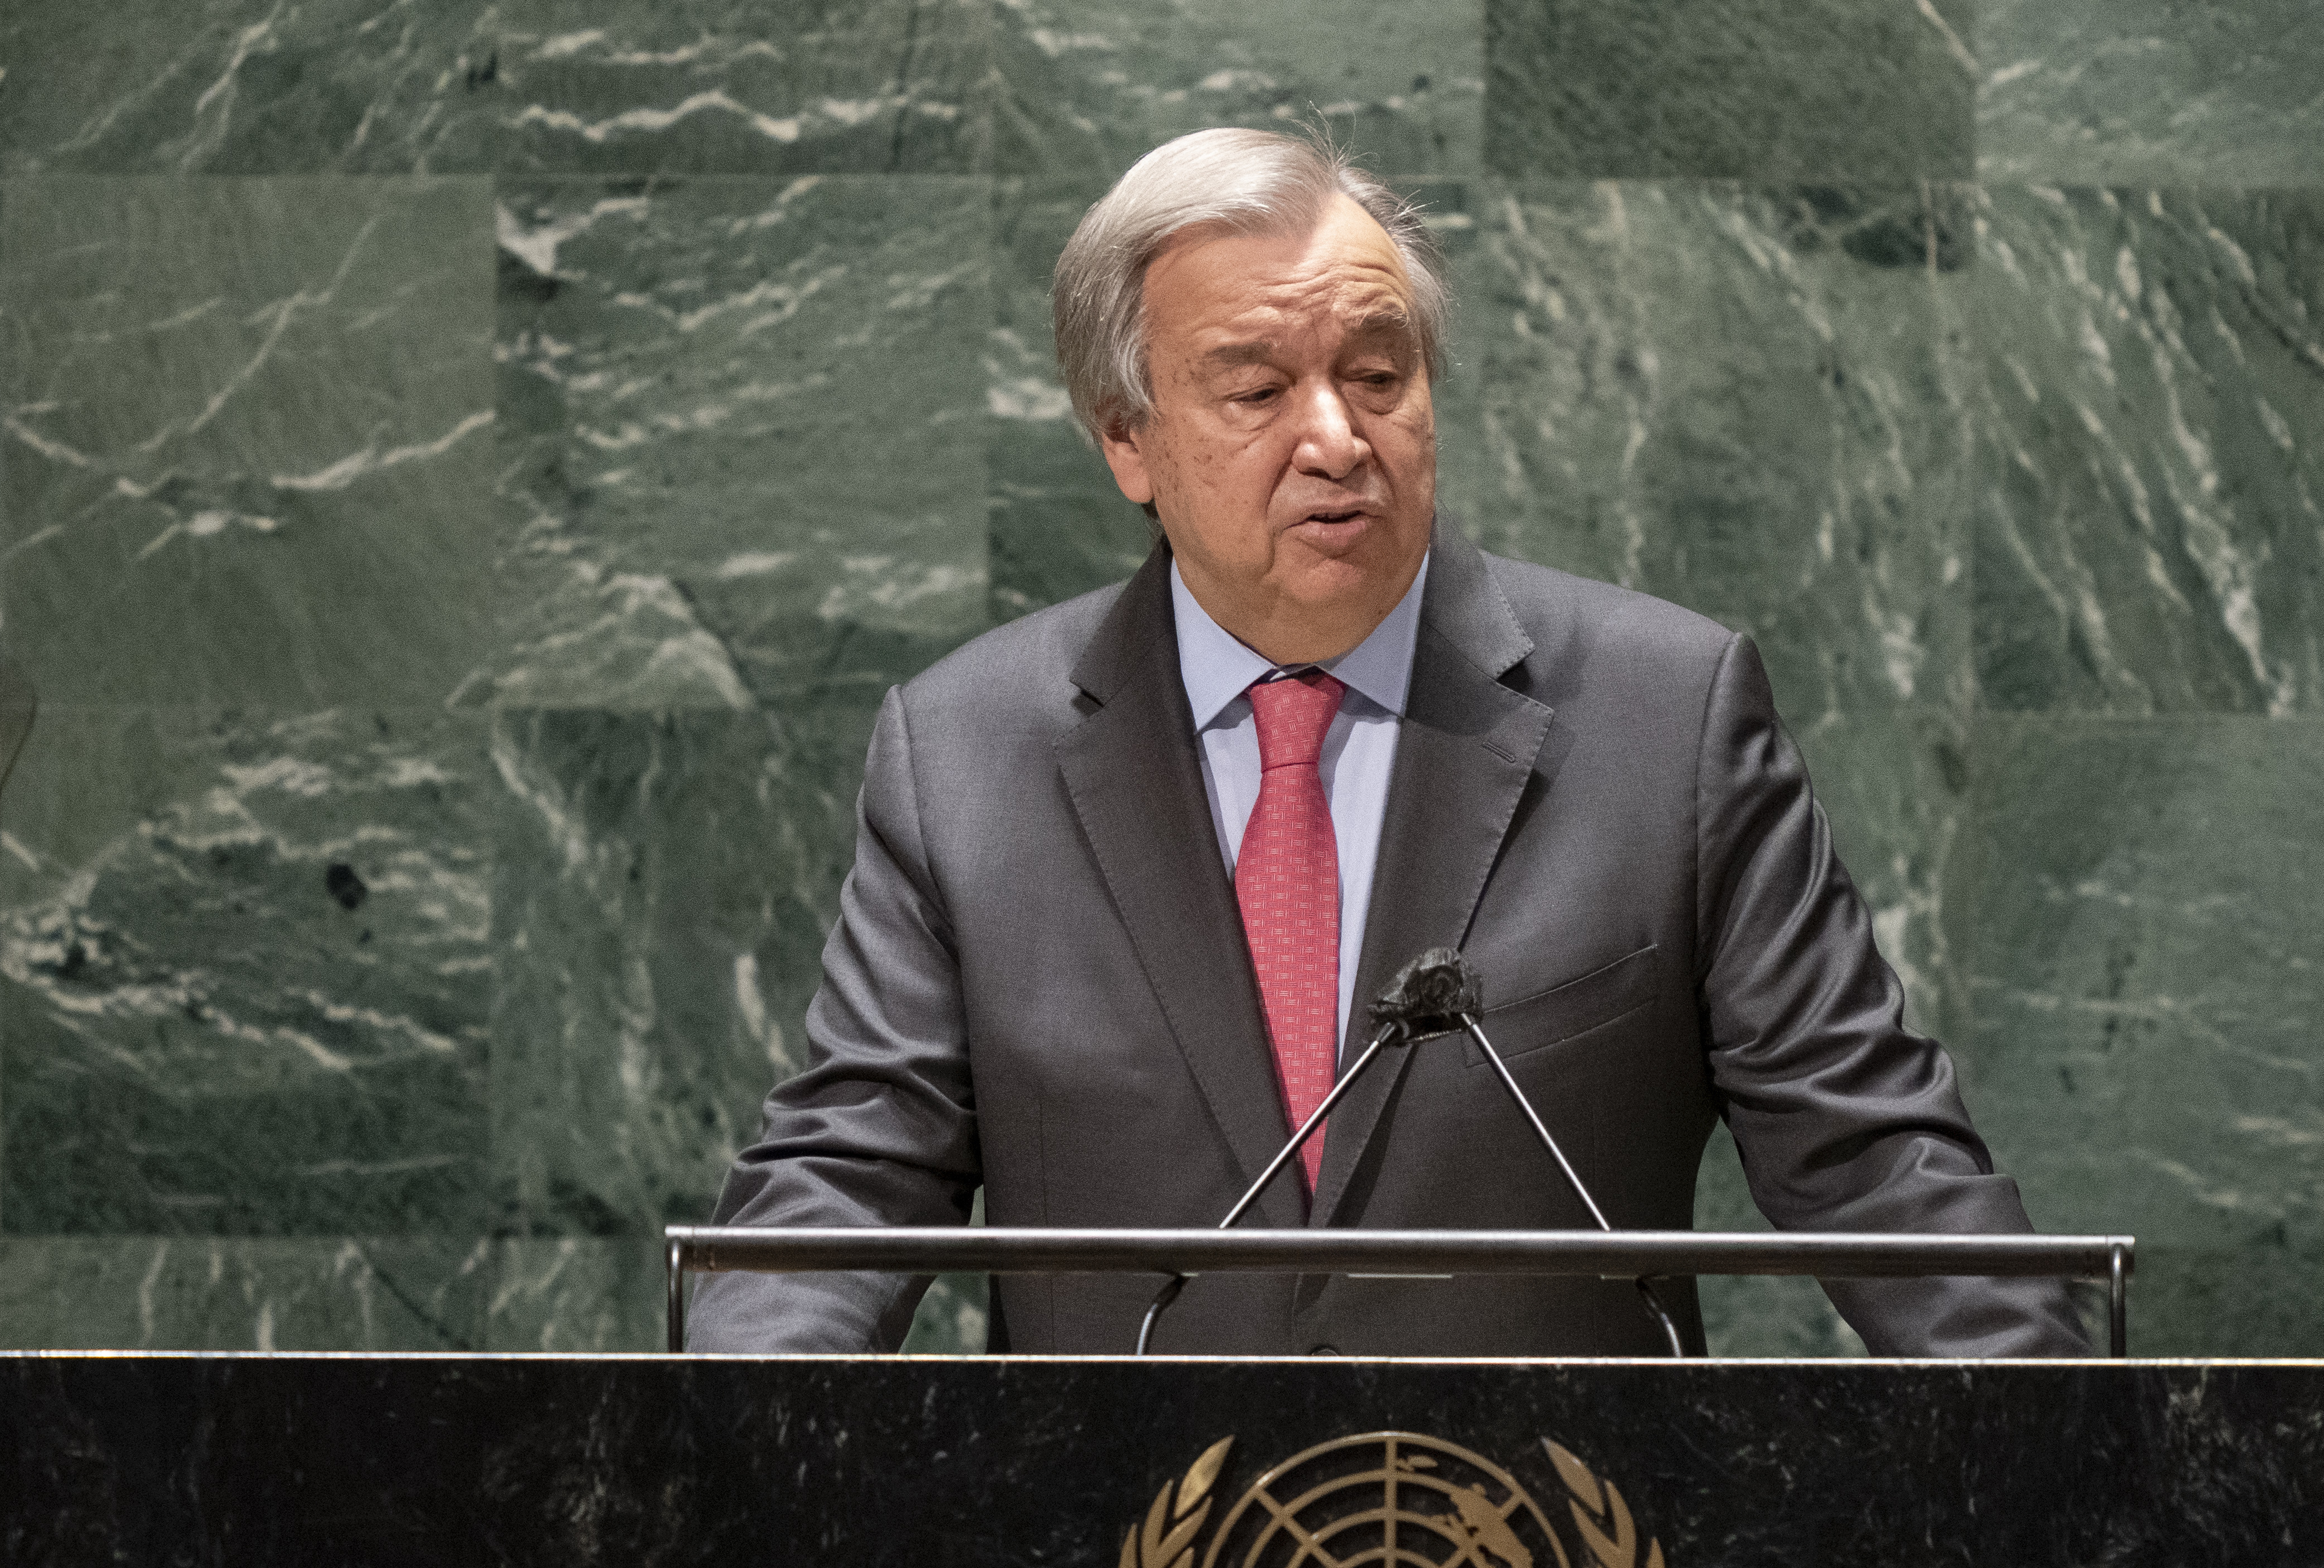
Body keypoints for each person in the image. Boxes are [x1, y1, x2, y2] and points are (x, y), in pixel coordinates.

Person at [688, 128, 2087, 1359]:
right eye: (1254, 389)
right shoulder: (966, 753)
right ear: (1127, 436)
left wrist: (2073, 1464)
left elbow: (1877, 1167)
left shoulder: (1667, 716)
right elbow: (850, 1176)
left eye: (1377, 375)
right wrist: (719, 1453)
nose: (1335, 437)